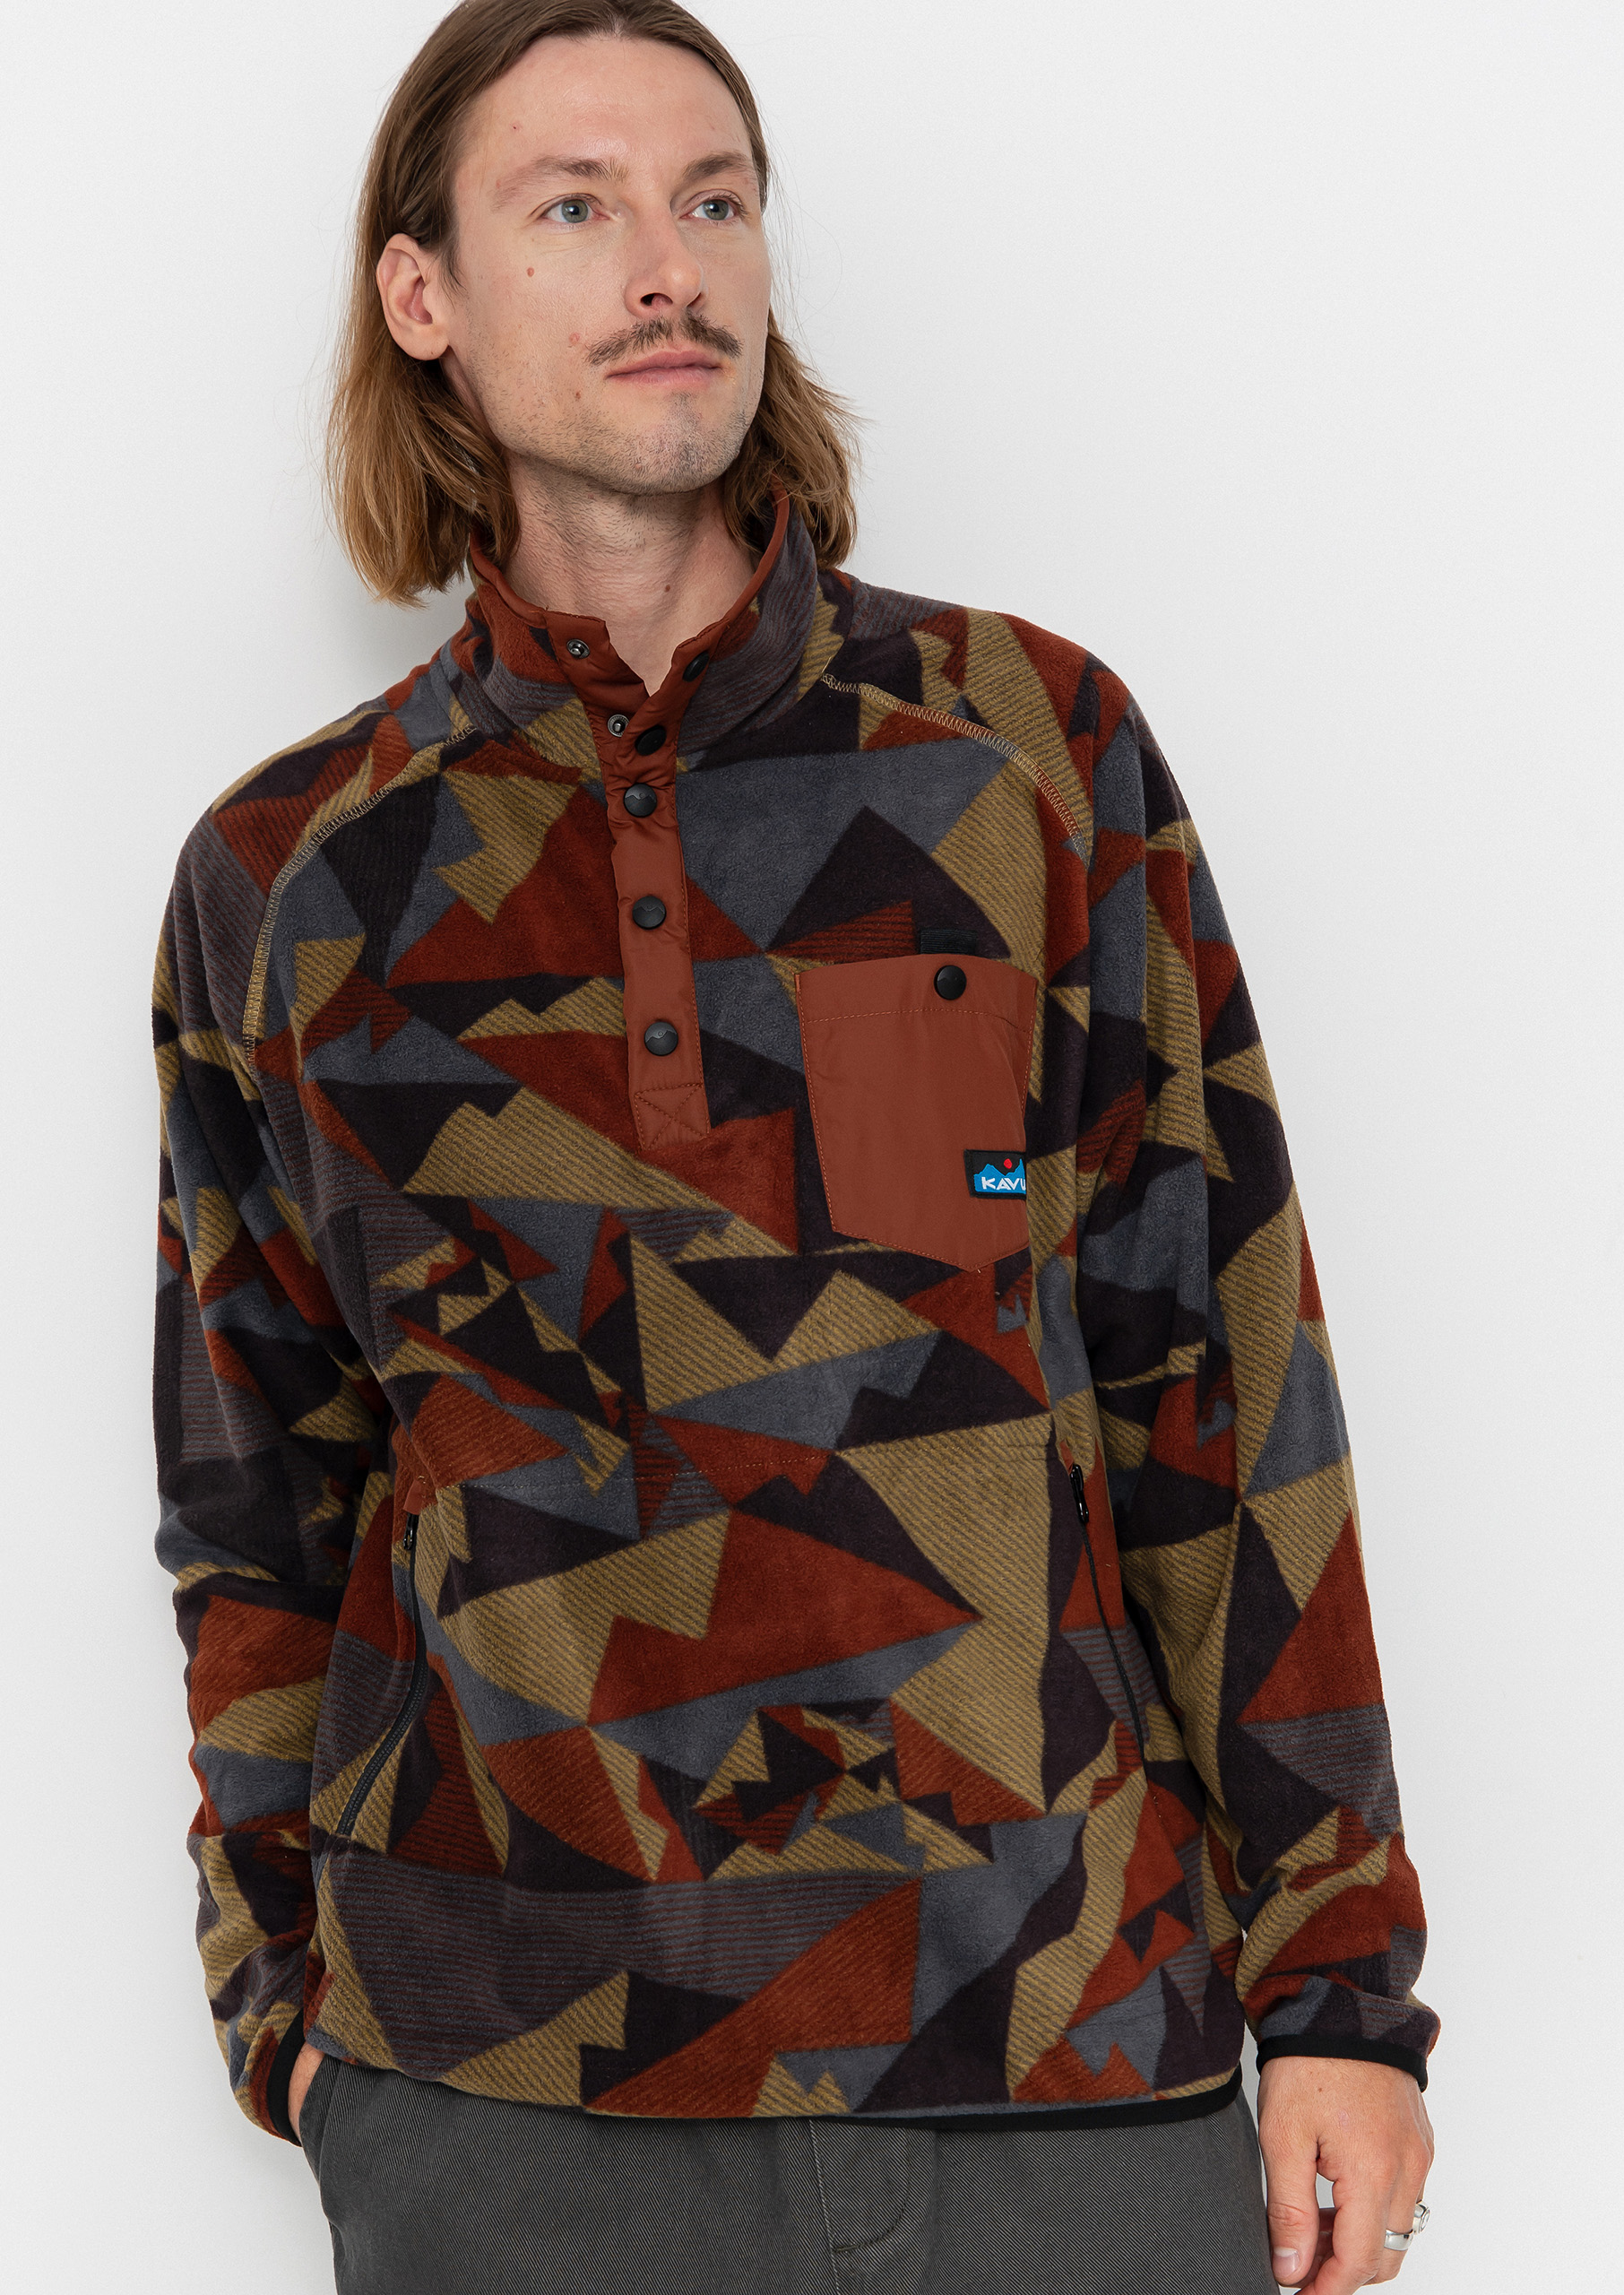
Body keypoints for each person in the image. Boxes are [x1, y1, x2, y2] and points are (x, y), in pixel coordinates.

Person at [151, 4, 1437, 2289]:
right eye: (577, 205)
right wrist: (294, 2021)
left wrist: (1340, 1994)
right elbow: (258, 1491)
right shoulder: (290, 874)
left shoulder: (1030, 758)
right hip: (502, 2112)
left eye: (716, 198)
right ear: (423, 294)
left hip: (1065, 2058)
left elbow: (1225, 1382)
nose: (673, 262)